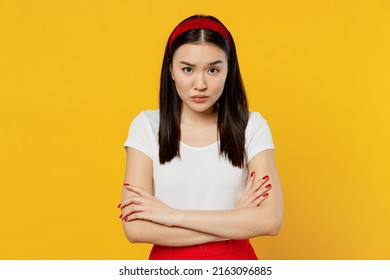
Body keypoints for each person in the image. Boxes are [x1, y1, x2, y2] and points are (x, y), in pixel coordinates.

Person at [118, 15, 283, 260]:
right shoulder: (146, 126)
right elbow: (136, 228)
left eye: (213, 70)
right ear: (171, 70)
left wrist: (173, 216)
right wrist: (234, 220)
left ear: (229, 70)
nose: (200, 84)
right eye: (187, 69)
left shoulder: (251, 126)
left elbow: (270, 221)